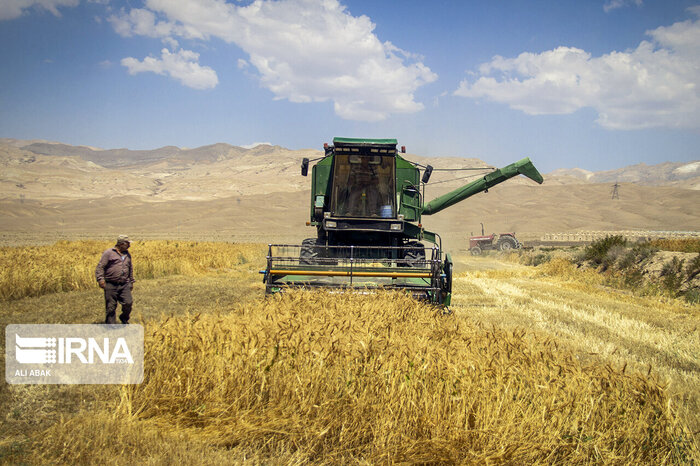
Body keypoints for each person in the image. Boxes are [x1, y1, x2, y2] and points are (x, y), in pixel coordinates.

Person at [95, 235, 135, 324]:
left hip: (124, 284)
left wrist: (131, 281)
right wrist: (101, 280)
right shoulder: (108, 253)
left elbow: (130, 268)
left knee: (128, 302)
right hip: (110, 284)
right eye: (128, 244)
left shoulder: (127, 254)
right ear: (121, 244)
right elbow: (100, 267)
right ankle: (110, 325)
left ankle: (124, 318)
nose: (129, 246)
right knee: (111, 306)